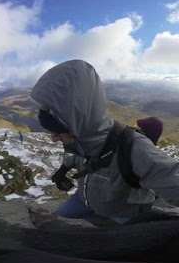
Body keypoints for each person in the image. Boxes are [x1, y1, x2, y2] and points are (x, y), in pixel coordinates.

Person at [31, 59, 179, 225]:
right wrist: (63, 169)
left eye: (57, 131)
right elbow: (77, 156)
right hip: (86, 200)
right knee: (62, 214)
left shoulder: (134, 147)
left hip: (123, 210)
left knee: (122, 241)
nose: (53, 138)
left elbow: (171, 178)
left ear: (76, 124)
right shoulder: (81, 141)